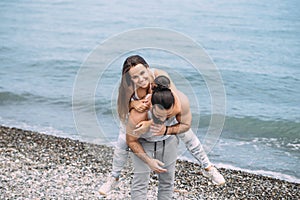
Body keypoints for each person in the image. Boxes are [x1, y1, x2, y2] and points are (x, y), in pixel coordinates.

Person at [99, 55, 225, 196]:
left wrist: (150, 123)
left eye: (142, 73)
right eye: (135, 77)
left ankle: (208, 167)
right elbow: (122, 107)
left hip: (161, 116)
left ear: (148, 68)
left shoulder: (161, 78)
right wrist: (133, 103)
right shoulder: (128, 87)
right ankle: (114, 177)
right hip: (135, 118)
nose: (140, 79)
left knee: (186, 133)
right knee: (122, 141)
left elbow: (176, 106)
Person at [126, 77, 186, 199]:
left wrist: (167, 130)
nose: (163, 118)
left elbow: (185, 126)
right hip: (143, 142)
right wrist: (149, 161)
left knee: (167, 180)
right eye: (159, 114)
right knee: (141, 181)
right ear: (151, 105)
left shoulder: (176, 107)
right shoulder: (138, 115)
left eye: (167, 115)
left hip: (167, 140)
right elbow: (130, 140)